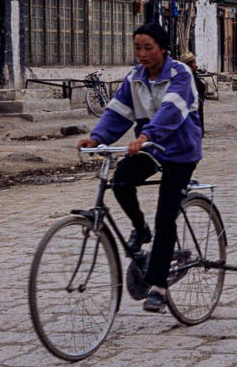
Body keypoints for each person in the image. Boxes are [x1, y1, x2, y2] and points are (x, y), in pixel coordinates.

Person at [76, 23, 202, 313]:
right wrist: (97, 138)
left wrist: (145, 136)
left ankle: (158, 285)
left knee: (166, 214)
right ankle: (139, 229)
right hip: (149, 147)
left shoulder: (180, 74)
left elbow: (171, 111)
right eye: (137, 48)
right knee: (120, 181)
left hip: (180, 150)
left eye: (148, 48)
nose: (142, 54)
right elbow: (118, 112)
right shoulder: (134, 78)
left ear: (162, 49)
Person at [179, 52, 205, 133]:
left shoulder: (193, 76)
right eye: (194, 62)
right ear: (188, 65)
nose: (195, 65)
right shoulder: (185, 78)